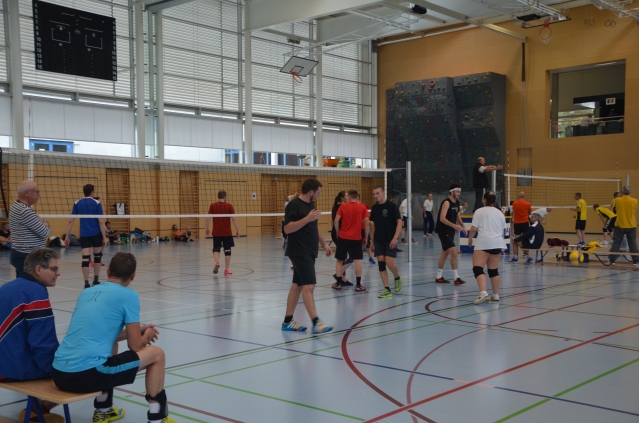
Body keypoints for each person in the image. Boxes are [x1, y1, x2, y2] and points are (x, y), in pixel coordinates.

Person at [52, 252, 179, 423]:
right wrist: (147, 335)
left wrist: (138, 330)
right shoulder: (129, 295)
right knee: (157, 354)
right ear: (133, 275)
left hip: (59, 374)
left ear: (108, 271)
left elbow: (101, 334)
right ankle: (157, 419)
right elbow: (136, 346)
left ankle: (104, 410)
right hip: (87, 376)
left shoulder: (87, 292)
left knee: (112, 345)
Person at [0, 248, 63, 423]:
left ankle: (37, 410)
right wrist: (57, 370)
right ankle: (39, 411)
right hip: (13, 369)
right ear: (38, 269)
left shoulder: (7, 287)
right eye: (54, 269)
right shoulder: (35, 292)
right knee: (85, 370)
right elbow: (42, 343)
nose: (58, 273)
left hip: (4, 363)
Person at [281, 178, 333, 334]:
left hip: (309, 251)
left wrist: (324, 244)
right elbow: (287, 229)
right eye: (318, 192)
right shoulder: (294, 205)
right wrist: (307, 218)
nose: (319, 195)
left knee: (297, 285)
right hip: (299, 251)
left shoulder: (310, 206)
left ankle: (288, 321)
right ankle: (316, 322)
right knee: (309, 286)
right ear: (311, 192)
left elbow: (313, 227)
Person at [64, 184, 108, 289]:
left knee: (85, 259)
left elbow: (71, 221)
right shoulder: (97, 203)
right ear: (92, 192)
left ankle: (86, 283)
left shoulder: (77, 203)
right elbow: (101, 222)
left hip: (84, 234)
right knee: (97, 256)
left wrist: (67, 236)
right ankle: (96, 280)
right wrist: (104, 237)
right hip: (96, 234)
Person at [467, 193, 506, 304]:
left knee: (478, 268)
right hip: (497, 243)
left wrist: (470, 239)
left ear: (484, 200)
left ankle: (483, 293)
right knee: (493, 270)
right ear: (494, 201)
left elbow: (473, 229)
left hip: (484, 242)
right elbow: (502, 229)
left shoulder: (479, 211)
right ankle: (496, 295)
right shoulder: (500, 213)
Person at [9, 181, 50, 276]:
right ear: (27, 193)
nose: (39, 195)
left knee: (23, 282)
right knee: (30, 283)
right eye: (37, 192)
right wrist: (46, 223)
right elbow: (45, 233)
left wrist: (41, 223)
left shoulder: (16, 205)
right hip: (27, 256)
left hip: (21, 254)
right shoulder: (25, 211)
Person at [333, 190, 369, 292]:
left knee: (339, 260)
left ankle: (338, 283)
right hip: (356, 238)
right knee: (357, 261)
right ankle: (358, 285)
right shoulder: (362, 207)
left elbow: (336, 221)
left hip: (343, 237)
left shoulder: (342, 206)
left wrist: (337, 232)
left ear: (349, 196)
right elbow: (367, 223)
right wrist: (365, 237)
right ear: (357, 197)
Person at [369, 186, 402, 298]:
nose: (375, 196)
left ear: (383, 193)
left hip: (390, 239)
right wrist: (372, 241)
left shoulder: (392, 206)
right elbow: (373, 226)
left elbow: (399, 222)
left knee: (389, 262)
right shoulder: (374, 208)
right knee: (381, 264)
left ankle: (397, 277)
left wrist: (395, 238)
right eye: (374, 194)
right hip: (379, 240)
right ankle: (387, 289)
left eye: (378, 193)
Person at [435, 184, 467, 285]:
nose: (459, 194)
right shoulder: (446, 202)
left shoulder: (457, 203)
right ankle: (456, 278)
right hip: (443, 231)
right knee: (454, 253)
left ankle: (438, 276)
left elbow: (457, 216)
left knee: (444, 254)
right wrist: (454, 226)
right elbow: (442, 218)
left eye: (460, 192)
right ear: (452, 191)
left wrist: (463, 225)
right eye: (457, 192)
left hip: (450, 231)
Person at [205, 190, 240, 275]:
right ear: (225, 197)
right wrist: (238, 230)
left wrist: (207, 228)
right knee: (227, 250)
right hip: (227, 232)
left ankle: (217, 262)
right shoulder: (229, 206)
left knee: (216, 249)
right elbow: (234, 219)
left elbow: (208, 218)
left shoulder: (213, 205)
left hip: (216, 232)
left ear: (218, 196)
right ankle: (226, 269)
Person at [608, 186, 638, 267]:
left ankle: (612, 260)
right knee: (632, 242)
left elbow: (612, 207)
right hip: (631, 224)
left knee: (616, 242)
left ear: (622, 192)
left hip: (619, 224)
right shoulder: (635, 201)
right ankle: (636, 260)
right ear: (630, 192)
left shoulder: (617, 200)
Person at [331, 191, 353, 286]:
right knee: (352, 255)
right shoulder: (340, 207)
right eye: (346, 196)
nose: (348, 197)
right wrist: (338, 233)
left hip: (340, 233)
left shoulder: (339, 206)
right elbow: (336, 221)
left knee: (344, 257)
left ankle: (343, 278)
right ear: (342, 198)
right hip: (340, 234)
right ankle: (338, 275)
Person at [510, 192, 532, 263]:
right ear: (524, 196)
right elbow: (529, 213)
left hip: (517, 223)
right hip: (525, 223)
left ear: (518, 196)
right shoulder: (527, 204)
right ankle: (527, 255)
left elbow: (514, 211)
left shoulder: (514, 203)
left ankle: (515, 257)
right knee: (525, 240)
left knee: (516, 240)